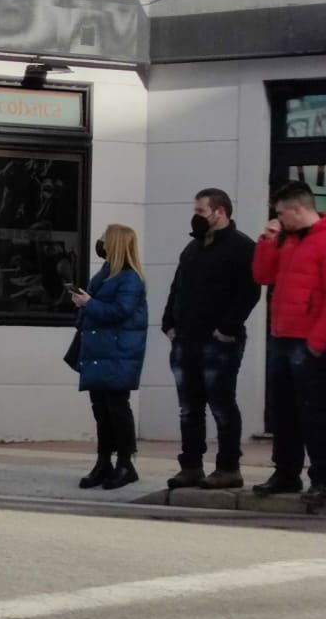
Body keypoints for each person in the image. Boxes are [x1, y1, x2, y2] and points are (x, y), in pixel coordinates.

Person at [159, 188, 260, 490]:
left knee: (221, 404)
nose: (196, 216)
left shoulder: (242, 247)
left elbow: (249, 292)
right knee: (189, 407)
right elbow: (177, 287)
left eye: (201, 211)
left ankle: (229, 467)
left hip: (219, 343)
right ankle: (191, 466)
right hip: (185, 339)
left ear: (220, 211)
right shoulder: (193, 248)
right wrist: (168, 324)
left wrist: (226, 329)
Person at [252, 181, 326, 502]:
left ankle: (321, 478)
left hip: (308, 340)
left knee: (315, 412)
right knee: (284, 411)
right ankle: (286, 473)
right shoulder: (288, 241)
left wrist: (318, 339)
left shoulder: (322, 241)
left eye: (281, 213)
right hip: (282, 336)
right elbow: (262, 276)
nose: (278, 218)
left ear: (298, 209)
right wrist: (267, 242)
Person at [72, 224, 149, 491]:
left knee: (117, 408)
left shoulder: (130, 278)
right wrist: (84, 303)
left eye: (105, 239)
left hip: (118, 354)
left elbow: (120, 311)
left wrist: (89, 303)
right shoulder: (105, 274)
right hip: (100, 352)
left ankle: (126, 463)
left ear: (115, 244)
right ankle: (104, 462)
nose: (100, 243)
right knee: (101, 410)